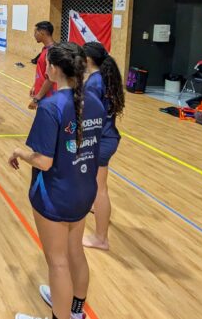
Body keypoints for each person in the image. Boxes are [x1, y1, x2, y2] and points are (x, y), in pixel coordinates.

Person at [7, 42, 104, 319]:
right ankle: (75, 311)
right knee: (75, 252)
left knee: (58, 262)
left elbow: (44, 161)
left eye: (47, 63)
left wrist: (19, 152)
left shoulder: (51, 106)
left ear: (54, 68)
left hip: (56, 194)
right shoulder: (95, 101)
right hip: (85, 190)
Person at [82, 42, 124, 252]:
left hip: (102, 139)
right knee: (97, 185)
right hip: (108, 136)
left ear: (88, 59)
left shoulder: (94, 83)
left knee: (101, 188)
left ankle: (101, 238)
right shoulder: (103, 78)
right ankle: (95, 207)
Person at [29, 21, 57, 110]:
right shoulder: (45, 49)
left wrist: (37, 99)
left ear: (42, 33)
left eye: (35, 32)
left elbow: (50, 79)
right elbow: (41, 71)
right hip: (43, 94)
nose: (34, 35)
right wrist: (35, 85)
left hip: (48, 96)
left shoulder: (53, 52)